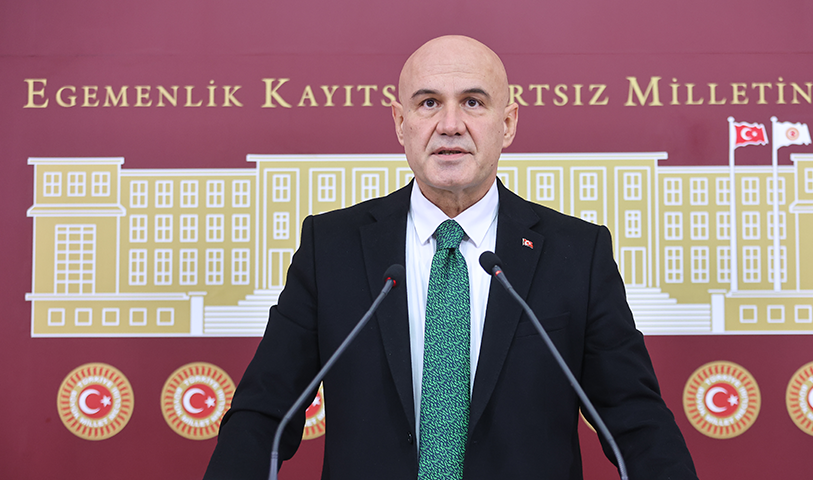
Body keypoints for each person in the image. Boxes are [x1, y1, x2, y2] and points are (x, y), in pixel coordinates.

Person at [204, 35, 698, 480]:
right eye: (428, 103)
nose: (450, 125)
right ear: (400, 123)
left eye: (473, 103)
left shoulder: (577, 254)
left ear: (508, 123)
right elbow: (264, 413)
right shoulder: (331, 247)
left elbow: (634, 421)